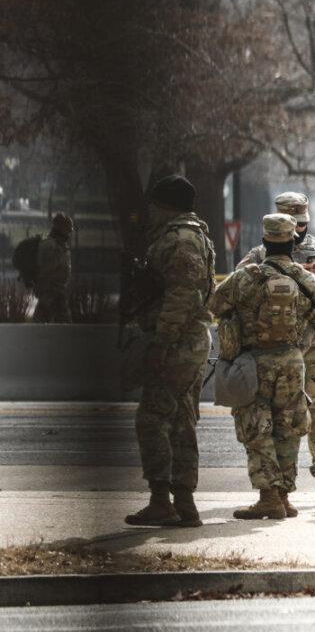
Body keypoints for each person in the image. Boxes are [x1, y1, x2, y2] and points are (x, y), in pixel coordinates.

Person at [238, 192, 315, 507]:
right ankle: (277, 491)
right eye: (294, 226)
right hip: (278, 345)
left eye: (303, 224)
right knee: (280, 418)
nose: (300, 232)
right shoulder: (260, 255)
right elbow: (239, 290)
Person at [210, 213, 315, 520]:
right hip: (292, 361)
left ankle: (268, 497)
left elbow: (215, 305)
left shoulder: (245, 277)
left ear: (264, 242)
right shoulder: (307, 280)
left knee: (257, 426)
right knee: (288, 426)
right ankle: (284, 496)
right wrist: (298, 345)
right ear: (293, 242)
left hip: (254, 361)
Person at [125, 175, 215, 528]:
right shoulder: (190, 235)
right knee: (181, 421)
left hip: (180, 342)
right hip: (188, 340)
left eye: (154, 205)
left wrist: (162, 342)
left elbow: (182, 295)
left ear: (165, 206)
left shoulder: (181, 240)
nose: (150, 211)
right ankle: (185, 503)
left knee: (152, 418)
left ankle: (163, 499)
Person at [32, 212, 74, 323]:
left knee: (61, 325)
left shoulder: (61, 246)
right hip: (50, 291)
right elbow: (44, 269)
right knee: (61, 325)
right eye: (68, 230)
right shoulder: (50, 246)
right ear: (61, 229)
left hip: (56, 291)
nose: (69, 234)